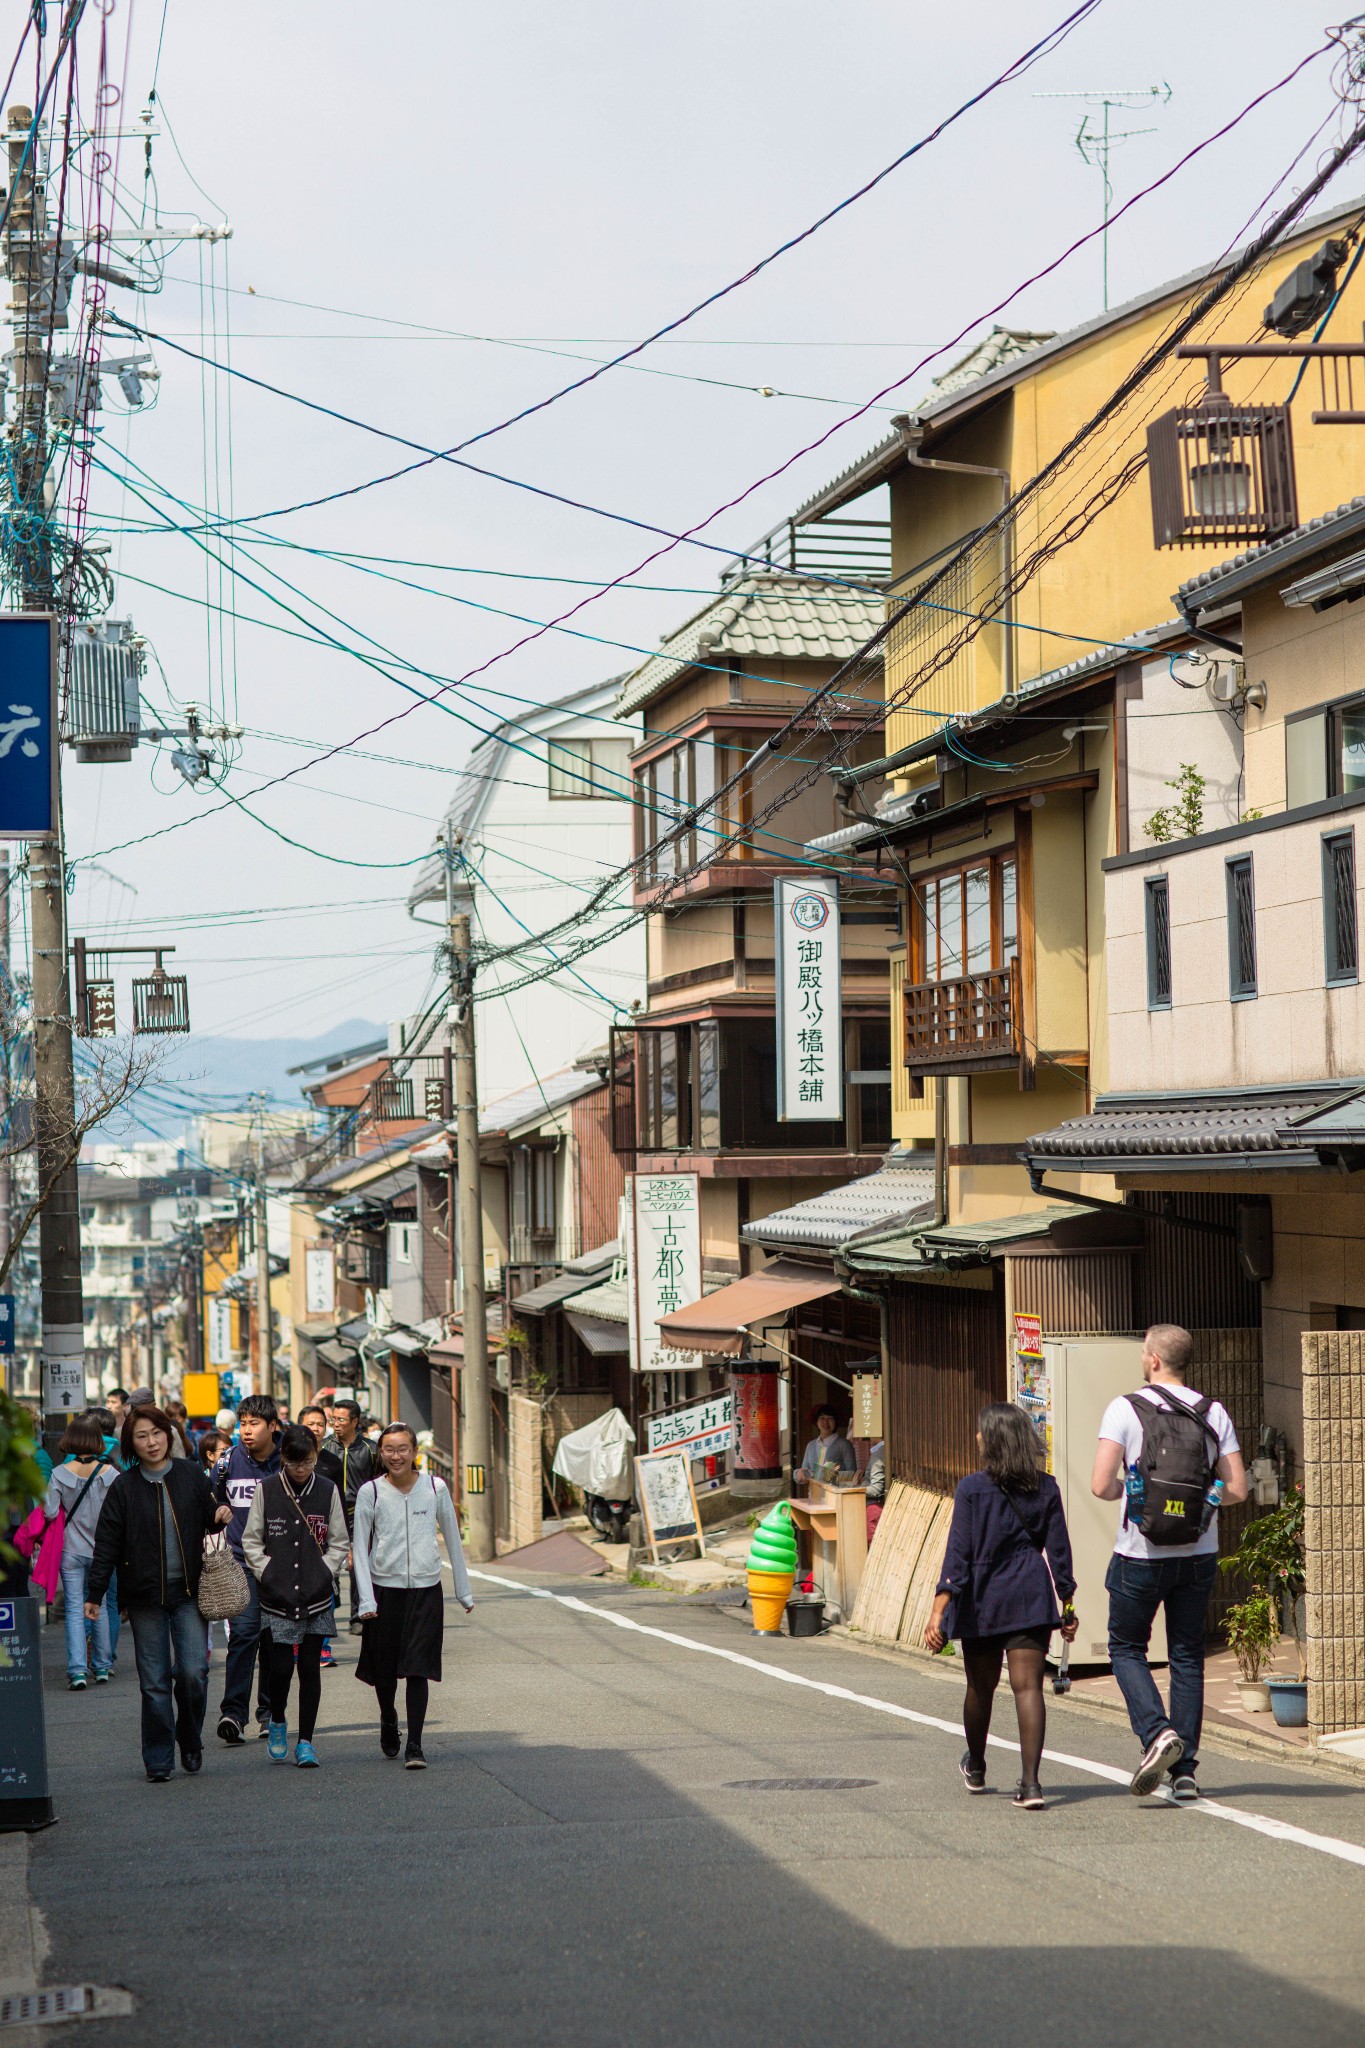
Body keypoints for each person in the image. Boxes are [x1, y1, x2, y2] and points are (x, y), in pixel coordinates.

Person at [1091, 1322, 1247, 1802]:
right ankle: (1185, 1774)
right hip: (1197, 1552)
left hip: (1140, 1552)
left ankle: (1157, 1733)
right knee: (1185, 1656)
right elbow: (1237, 1488)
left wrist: (1133, 1494)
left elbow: (1101, 1485)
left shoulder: (1125, 1408)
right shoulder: (1213, 1412)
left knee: (1125, 1647)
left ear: (1154, 1360)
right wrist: (1203, 1503)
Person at [926, 1403, 1077, 1811]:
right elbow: (1059, 1550)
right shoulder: (1046, 1487)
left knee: (981, 1688)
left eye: (981, 1432)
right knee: (1028, 1688)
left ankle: (975, 1766)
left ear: (993, 1439)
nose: (976, 1437)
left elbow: (958, 1555)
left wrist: (939, 1609)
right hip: (1030, 1593)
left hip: (983, 1598)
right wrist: (1067, 1602)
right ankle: (1031, 1785)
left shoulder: (972, 1488)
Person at [85, 1405, 232, 1781]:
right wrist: (95, 1593)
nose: (151, 1442)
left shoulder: (190, 1475)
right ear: (131, 1444)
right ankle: (158, 1758)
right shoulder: (124, 1486)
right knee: (153, 1684)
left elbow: (208, 1511)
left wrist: (218, 1513)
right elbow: (107, 1543)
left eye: (156, 1433)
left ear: (168, 1434)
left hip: (189, 1593)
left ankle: (190, 1738)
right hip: (144, 1597)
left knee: (193, 1673)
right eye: (141, 1436)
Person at [353, 1422, 472, 1768]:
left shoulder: (435, 1488)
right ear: (380, 1453)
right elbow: (360, 1548)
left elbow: (452, 1539)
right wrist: (365, 1600)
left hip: (425, 1590)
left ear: (415, 1452)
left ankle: (416, 1745)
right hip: (383, 1591)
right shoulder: (370, 1492)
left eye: (403, 1448)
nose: (396, 1456)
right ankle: (389, 1719)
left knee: (419, 1669)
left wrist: (463, 1591)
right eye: (388, 1449)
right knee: (385, 1670)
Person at [241, 1423, 348, 1767]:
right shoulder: (267, 1490)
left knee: (311, 1670)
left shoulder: (328, 1489)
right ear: (283, 1458)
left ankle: (306, 1741)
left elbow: (339, 1541)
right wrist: (268, 1573)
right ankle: (277, 1721)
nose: (302, 1470)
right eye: (294, 1463)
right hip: (277, 1594)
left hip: (317, 1594)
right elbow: (251, 1540)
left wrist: (324, 1572)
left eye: (308, 1463)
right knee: (281, 1667)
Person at [211, 1393, 282, 1745]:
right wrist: (218, 1511)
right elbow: (210, 1502)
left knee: (273, 1638)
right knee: (243, 1634)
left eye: (255, 1424)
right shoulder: (227, 1462)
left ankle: (268, 1713)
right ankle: (233, 1715)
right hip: (239, 1561)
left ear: (273, 1426)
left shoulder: (288, 1461)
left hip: (281, 1565)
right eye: (243, 1424)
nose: (247, 1431)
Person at [44, 1414, 119, 1689]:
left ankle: (77, 1671)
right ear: (97, 1440)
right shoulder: (111, 1473)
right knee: (98, 1605)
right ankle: (102, 1666)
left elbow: (50, 1512)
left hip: (71, 1551)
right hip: (104, 1552)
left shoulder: (59, 1474)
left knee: (75, 1610)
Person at [320, 1399, 375, 1636]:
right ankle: (330, 1610)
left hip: (359, 1514)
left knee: (359, 1565)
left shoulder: (371, 1449)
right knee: (330, 1564)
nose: (336, 1424)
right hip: (330, 1514)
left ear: (355, 1421)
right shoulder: (324, 1448)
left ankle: (358, 1615)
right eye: (333, 1419)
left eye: (341, 1419)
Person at [797, 1406, 857, 1484]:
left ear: (836, 1422)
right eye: (822, 1418)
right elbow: (804, 1471)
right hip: (814, 1493)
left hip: (835, 1494)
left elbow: (853, 1475)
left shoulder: (844, 1445)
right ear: (816, 1422)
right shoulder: (811, 1445)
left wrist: (824, 1476)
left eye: (830, 1418)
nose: (826, 1422)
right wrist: (798, 1473)